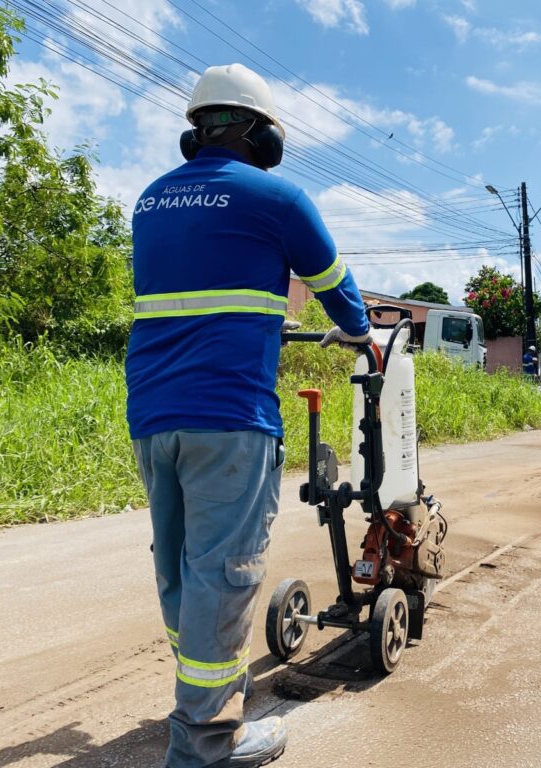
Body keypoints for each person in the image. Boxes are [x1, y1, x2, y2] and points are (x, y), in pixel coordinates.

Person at [126, 63, 370, 768]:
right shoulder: (278, 199)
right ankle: (205, 744)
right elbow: (334, 285)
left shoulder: (149, 203)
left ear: (193, 132)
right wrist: (357, 333)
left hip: (152, 413)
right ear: (263, 135)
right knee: (224, 573)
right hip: (228, 414)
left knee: (178, 567)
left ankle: (204, 694)